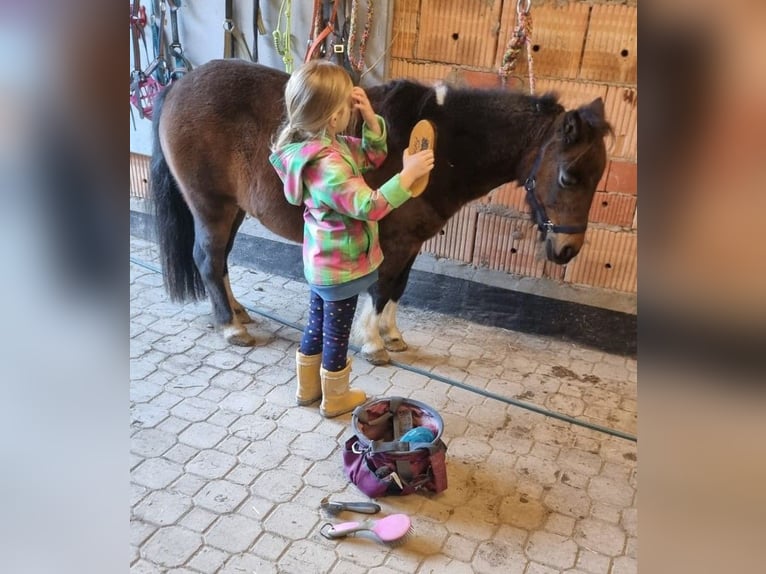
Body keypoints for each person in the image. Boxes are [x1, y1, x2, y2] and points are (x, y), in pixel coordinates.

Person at [269, 60, 434, 418]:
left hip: (320, 263)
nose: (352, 111)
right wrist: (407, 177)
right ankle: (335, 397)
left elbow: (372, 155)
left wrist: (372, 120)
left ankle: (307, 387)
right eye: (347, 106)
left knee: (316, 325)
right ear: (332, 117)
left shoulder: (323, 146)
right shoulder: (330, 165)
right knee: (337, 335)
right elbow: (370, 205)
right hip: (341, 268)